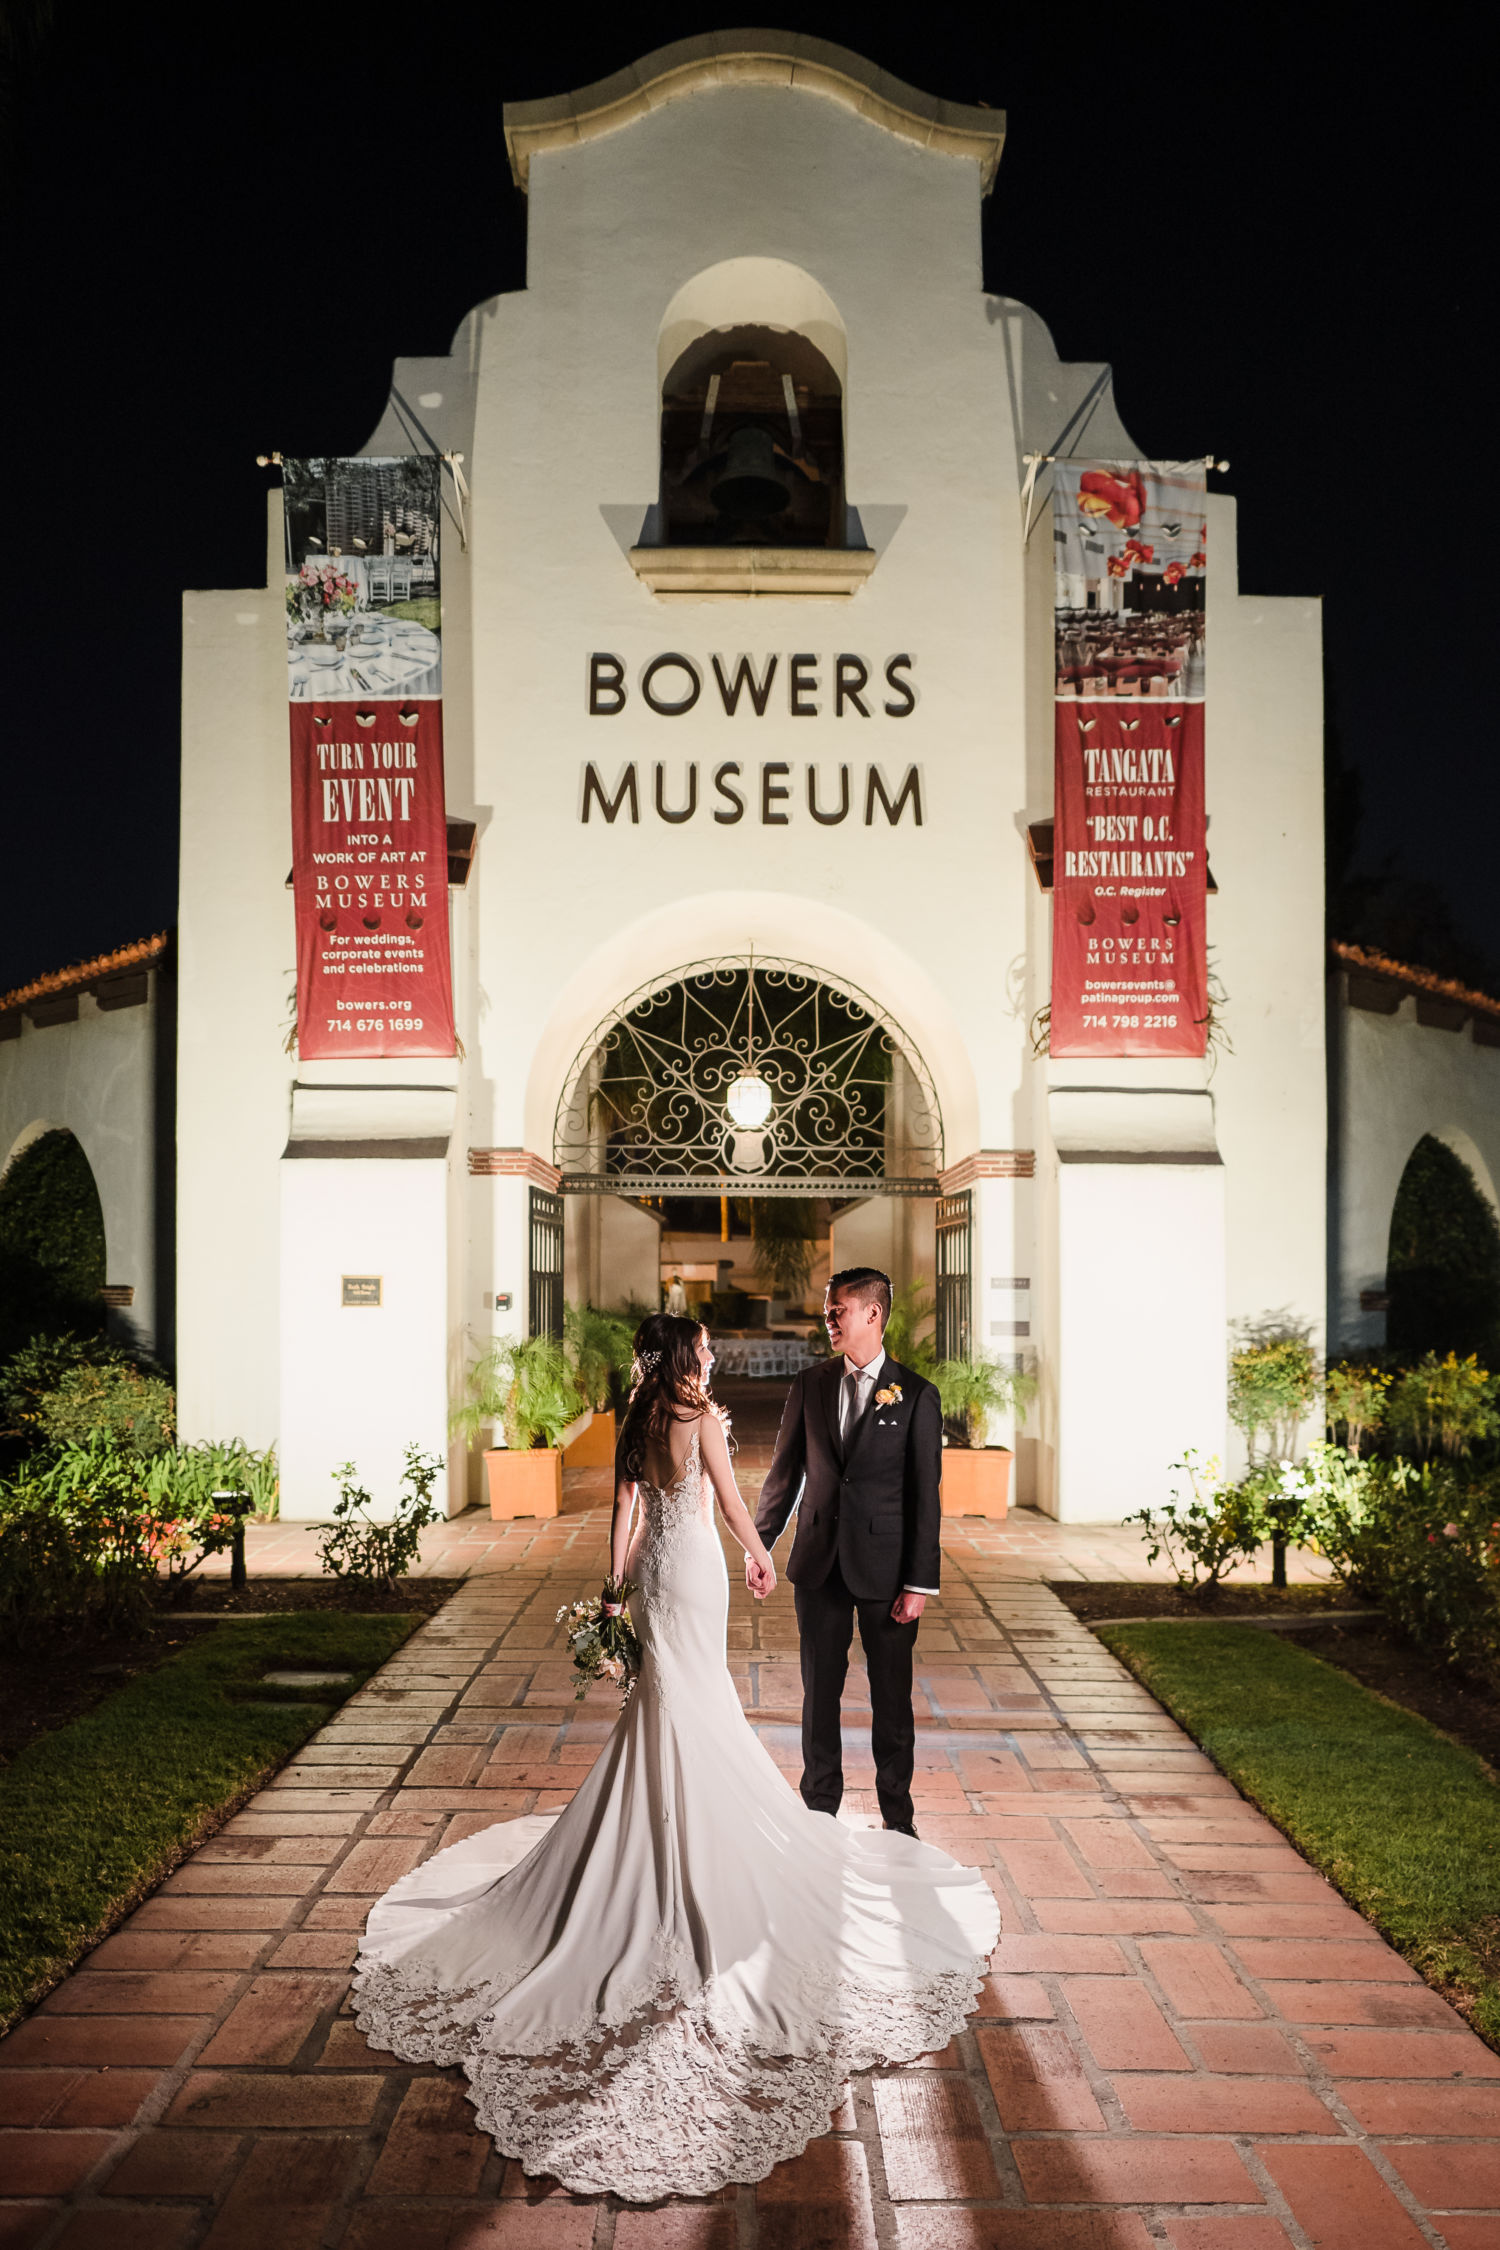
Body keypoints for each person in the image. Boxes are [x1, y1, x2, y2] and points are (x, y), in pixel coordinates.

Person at [353, 1312, 998, 2201]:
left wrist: (614, 1594)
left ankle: (655, 1838)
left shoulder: (636, 1417)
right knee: (700, 1703)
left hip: (655, 1575)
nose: (713, 1354)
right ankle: (696, 1850)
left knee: (663, 1706)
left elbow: (623, 1512)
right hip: (695, 1568)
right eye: (704, 1345)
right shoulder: (698, 1419)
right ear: (687, 1356)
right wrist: (755, 1556)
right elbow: (731, 1502)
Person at [754, 1267, 939, 1838]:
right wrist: (760, 1544)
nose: (828, 1319)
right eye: (827, 1310)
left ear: (872, 1315)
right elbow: (785, 1475)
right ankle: (819, 1809)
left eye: (838, 1310)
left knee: (892, 1700)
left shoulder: (916, 1395)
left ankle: (897, 1817)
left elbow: (924, 1495)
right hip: (819, 1565)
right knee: (819, 1696)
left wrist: (918, 1583)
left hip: (887, 1574)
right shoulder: (809, 1385)